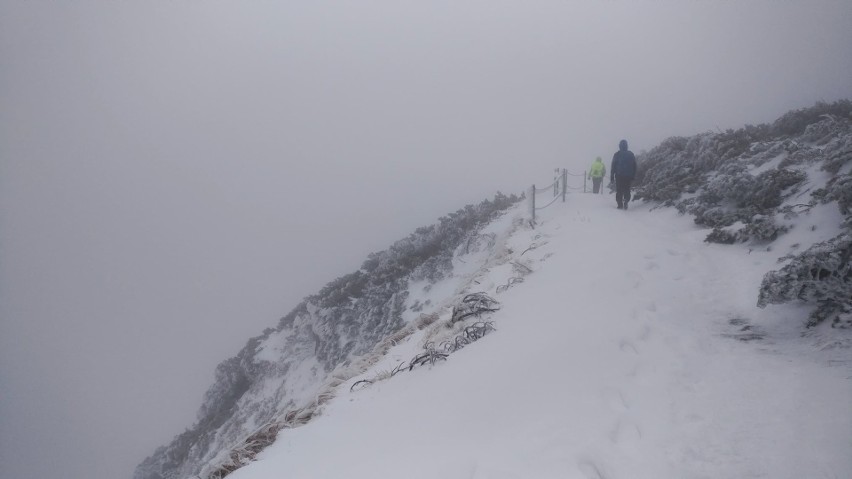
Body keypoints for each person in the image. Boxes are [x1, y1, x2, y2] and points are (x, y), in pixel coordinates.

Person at [610, 139, 637, 209]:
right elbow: (634, 166)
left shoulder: (617, 154)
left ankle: (620, 204)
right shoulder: (631, 154)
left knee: (619, 190)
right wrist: (633, 175)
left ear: (619, 146)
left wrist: (612, 176)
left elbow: (613, 166)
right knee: (627, 189)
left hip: (619, 175)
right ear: (627, 146)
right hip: (628, 176)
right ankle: (626, 200)